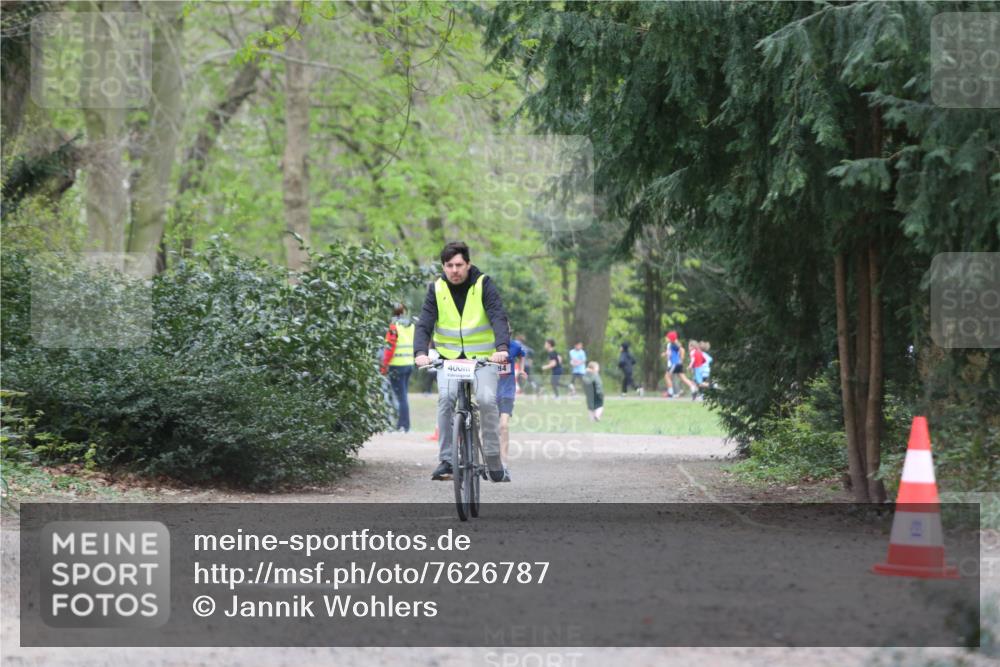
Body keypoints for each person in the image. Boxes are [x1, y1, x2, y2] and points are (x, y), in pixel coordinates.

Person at [413, 241, 510, 483]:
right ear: (443, 267)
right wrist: (419, 352)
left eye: (459, 265)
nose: (454, 270)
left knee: (487, 400)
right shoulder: (436, 289)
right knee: (446, 400)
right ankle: (446, 460)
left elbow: (497, 315)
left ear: (468, 264)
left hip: (483, 360)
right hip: (448, 360)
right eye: (449, 266)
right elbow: (425, 322)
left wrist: (501, 348)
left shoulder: (482, 284)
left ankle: (493, 459)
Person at [496, 324, 526, 482]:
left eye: (506, 332)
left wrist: (521, 370)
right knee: (488, 429)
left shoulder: (514, 346)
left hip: (507, 392)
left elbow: (522, 354)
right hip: (489, 393)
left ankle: (503, 464)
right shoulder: (486, 346)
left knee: (504, 426)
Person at [380, 304, 415, 431]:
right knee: (403, 396)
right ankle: (404, 425)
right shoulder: (411, 326)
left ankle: (402, 425)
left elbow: (389, 349)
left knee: (400, 397)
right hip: (409, 364)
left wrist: (384, 366)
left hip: (396, 365)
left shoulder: (394, 327)